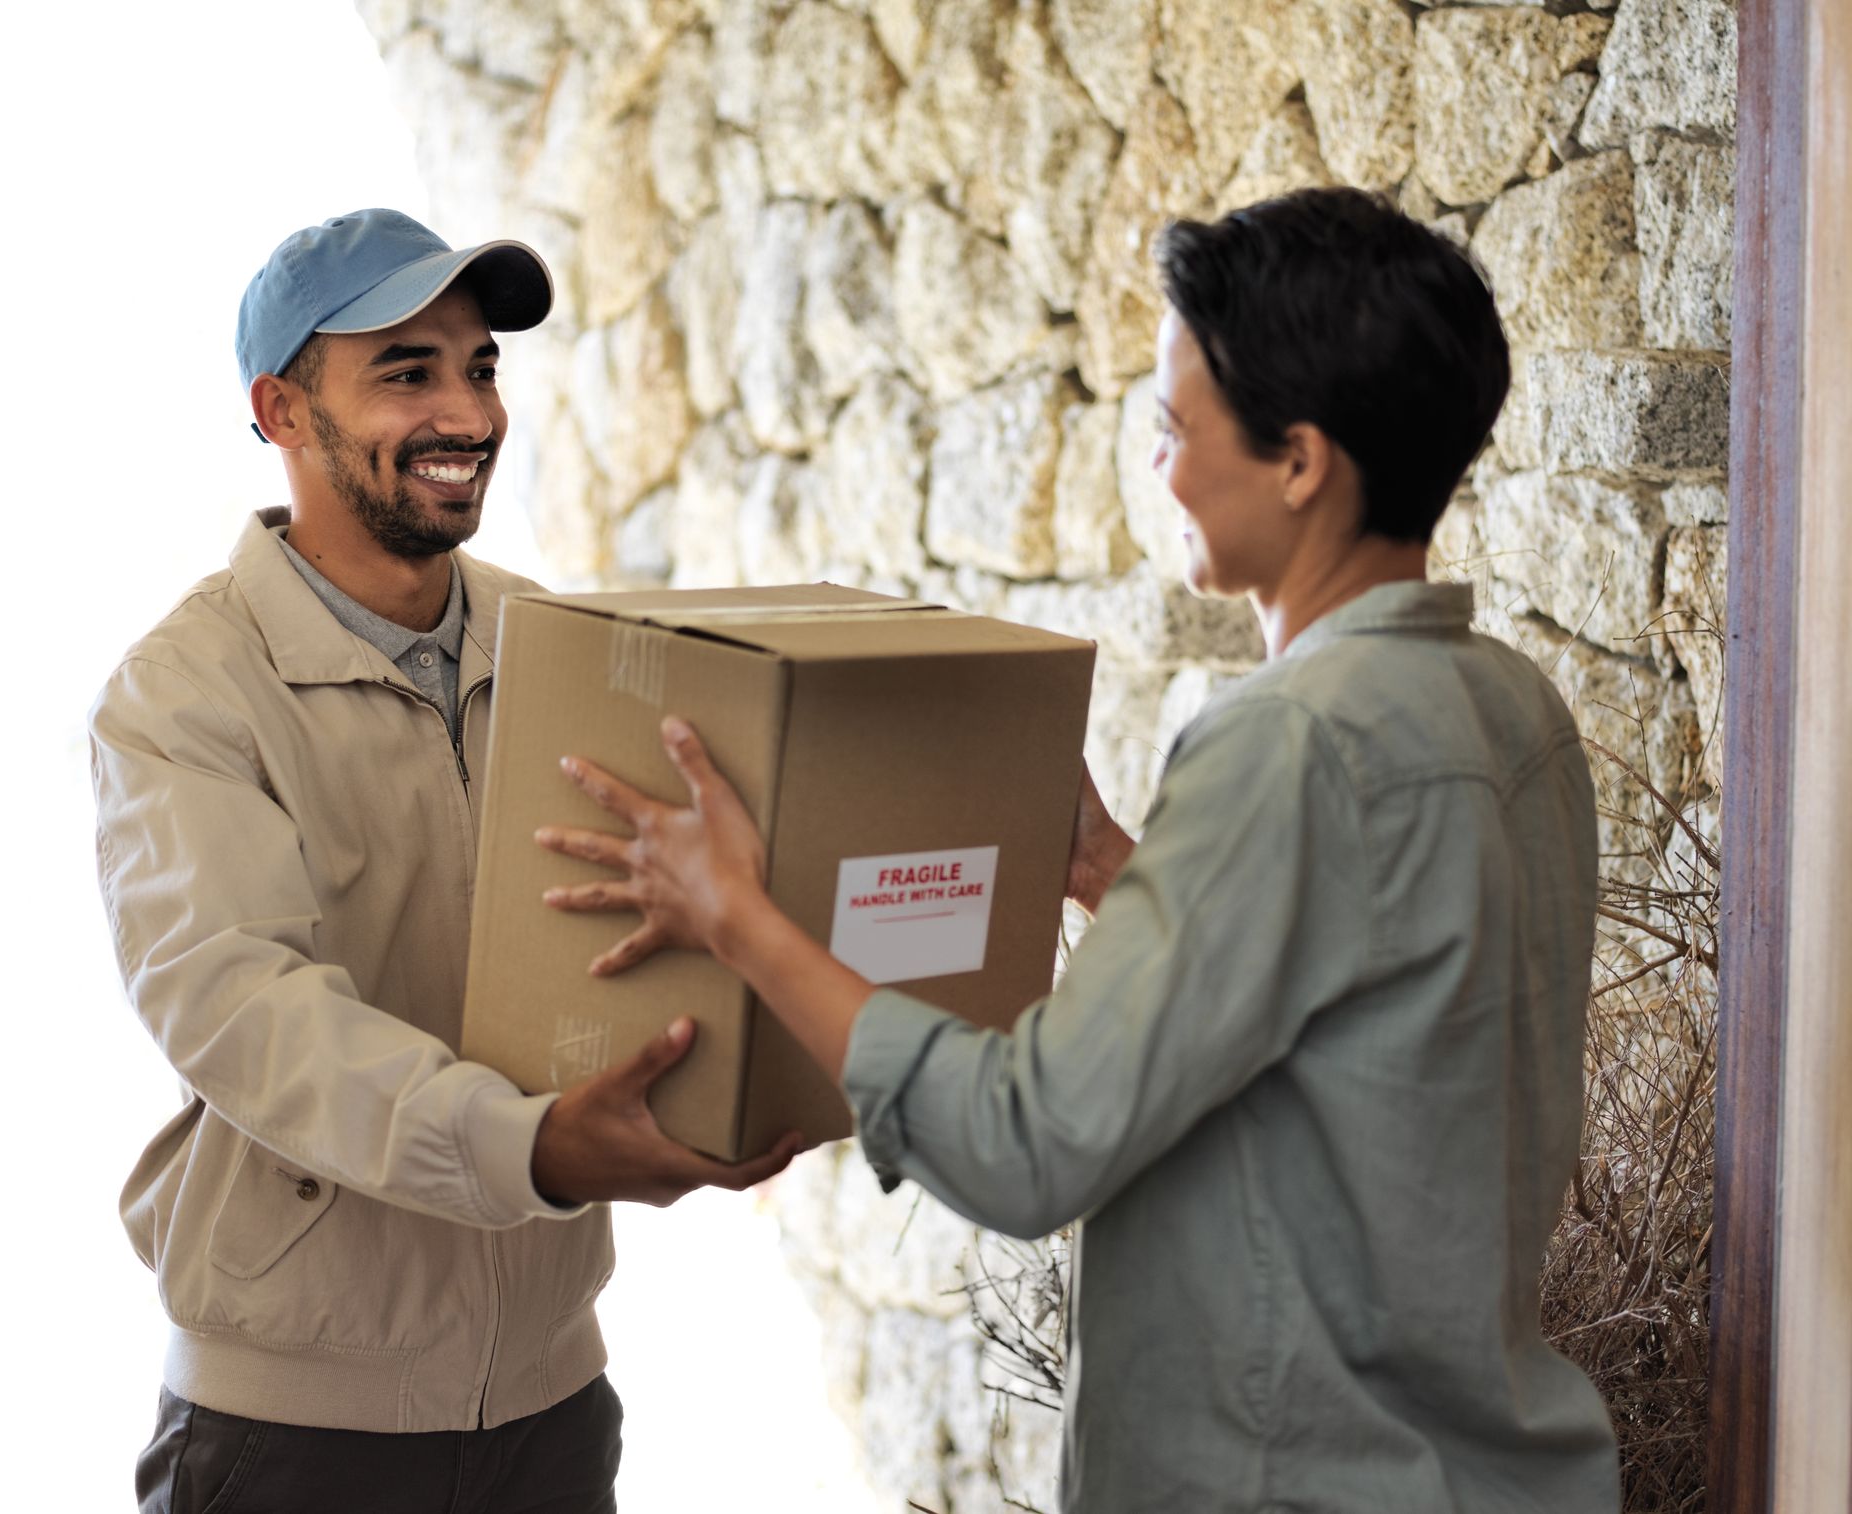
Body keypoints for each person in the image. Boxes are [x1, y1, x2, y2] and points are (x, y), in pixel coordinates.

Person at [537, 189, 1622, 1512]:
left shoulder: (1288, 743)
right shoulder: (1514, 710)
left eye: (1175, 428)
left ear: (1300, 460)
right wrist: (1117, 870)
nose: (1159, 467)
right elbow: (1360, 1036)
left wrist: (740, 918)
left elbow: (1026, 1141)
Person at [90, 209, 797, 1514]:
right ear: (284, 410)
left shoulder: (563, 643)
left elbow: (633, 934)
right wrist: (532, 1149)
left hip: (552, 1410)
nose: (466, 410)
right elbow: (247, 1014)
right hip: (295, 1435)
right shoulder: (185, 694)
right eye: (406, 371)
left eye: (479, 367)